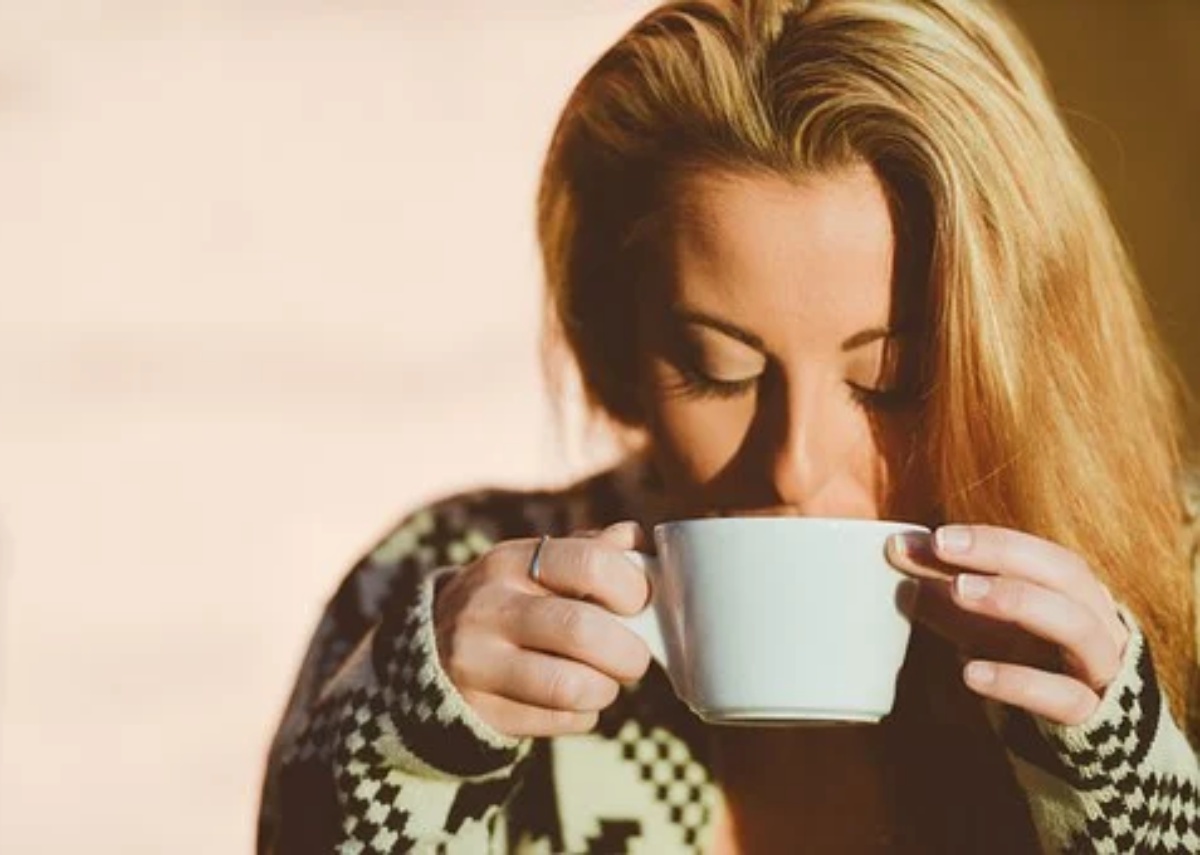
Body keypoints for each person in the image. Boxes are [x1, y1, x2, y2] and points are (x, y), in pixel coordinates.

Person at [257, 0, 1200, 851]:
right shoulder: (443, 583)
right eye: (721, 370)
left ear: (1027, 355)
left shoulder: (1178, 589)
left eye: (890, 380)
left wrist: (1128, 789)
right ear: (620, 341)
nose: (792, 465)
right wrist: (401, 764)